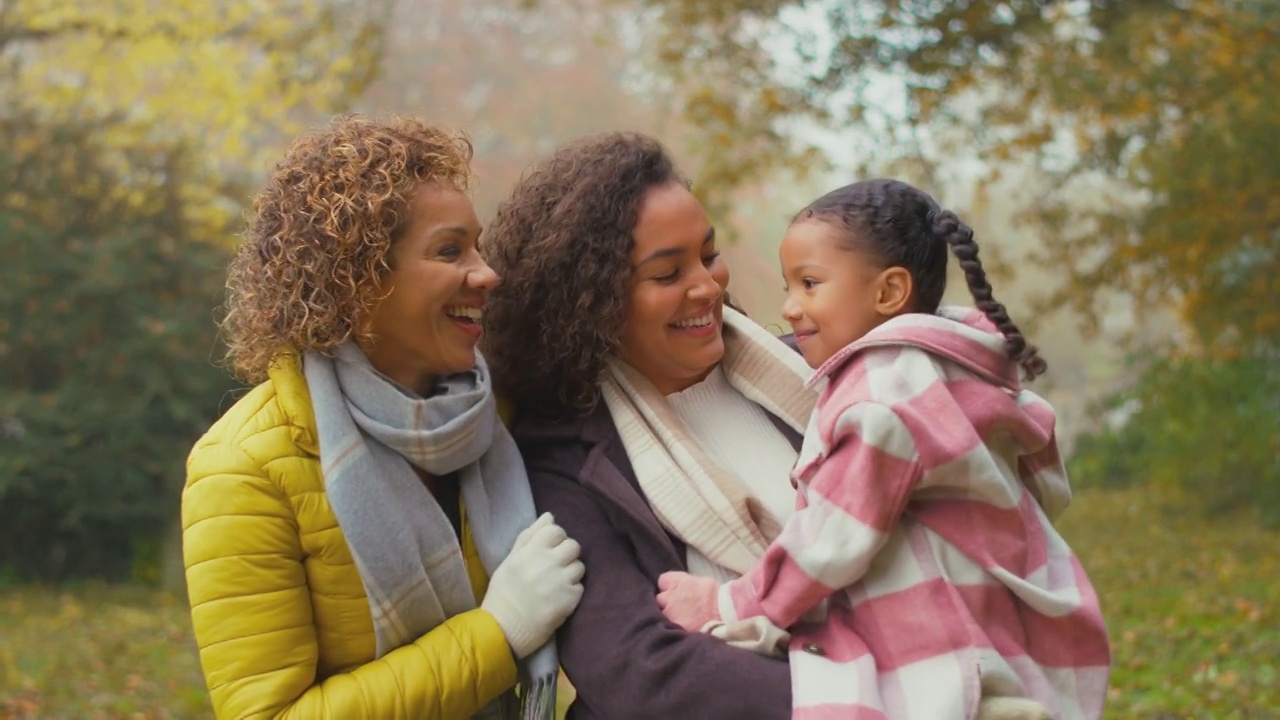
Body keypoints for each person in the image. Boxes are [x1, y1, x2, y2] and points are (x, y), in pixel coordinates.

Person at [655, 178, 1111, 719]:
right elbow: (1046, 479)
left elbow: (830, 544)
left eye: (809, 283)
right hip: (1005, 639)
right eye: (789, 285)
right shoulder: (958, 366)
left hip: (947, 665)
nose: (791, 307)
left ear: (889, 293)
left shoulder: (879, 395)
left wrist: (724, 602)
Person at [181, 114, 583, 720]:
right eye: (450, 250)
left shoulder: (499, 414)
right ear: (357, 280)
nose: (487, 273)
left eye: (478, 245)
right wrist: (499, 634)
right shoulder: (242, 470)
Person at [481, 132, 815, 719]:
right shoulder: (562, 459)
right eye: (668, 274)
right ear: (593, 302)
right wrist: (867, 696)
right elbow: (637, 670)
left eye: (708, 254)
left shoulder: (816, 376)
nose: (707, 286)